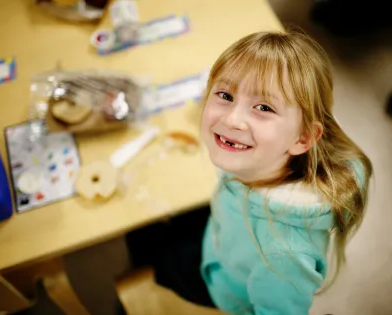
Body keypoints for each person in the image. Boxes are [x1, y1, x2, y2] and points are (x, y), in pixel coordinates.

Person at [126, 31, 372, 315]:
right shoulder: (255, 161)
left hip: (220, 286)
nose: (232, 119)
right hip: (223, 234)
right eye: (226, 95)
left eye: (264, 107)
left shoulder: (283, 257)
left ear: (302, 138)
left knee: (145, 246)